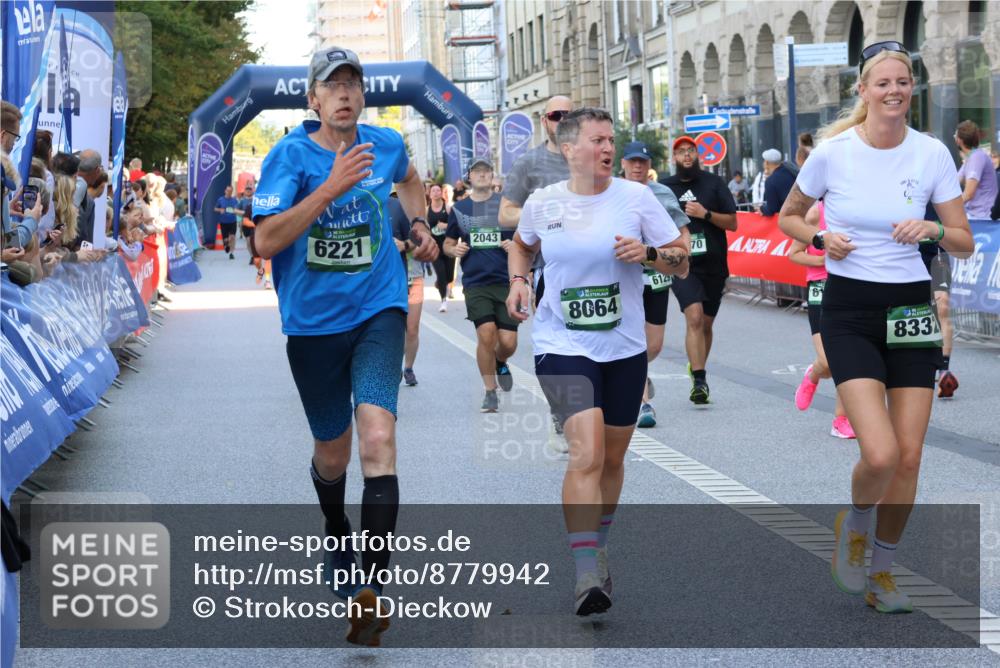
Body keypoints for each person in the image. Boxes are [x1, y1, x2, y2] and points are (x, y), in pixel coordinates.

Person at [251, 46, 438, 646]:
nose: (345, 94)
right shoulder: (289, 157)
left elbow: (411, 183)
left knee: (378, 437)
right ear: (313, 99)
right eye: (333, 85)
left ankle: (372, 592)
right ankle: (336, 528)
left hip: (377, 307)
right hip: (312, 326)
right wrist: (329, 188)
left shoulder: (384, 144)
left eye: (353, 84)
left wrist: (419, 226)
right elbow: (265, 241)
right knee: (333, 454)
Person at [778, 41, 972, 614]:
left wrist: (931, 231)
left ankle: (883, 574)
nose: (894, 90)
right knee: (881, 454)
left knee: (910, 457)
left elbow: (961, 238)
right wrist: (819, 239)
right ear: (862, 91)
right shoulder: (834, 154)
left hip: (911, 311)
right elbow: (788, 216)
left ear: (913, 88)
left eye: (903, 81)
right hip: (850, 311)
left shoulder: (932, 153)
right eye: (882, 82)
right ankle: (856, 523)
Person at [506, 108, 689, 617]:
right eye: (597, 141)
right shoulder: (544, 203)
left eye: (611, 140)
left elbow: (682, 257)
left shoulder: (636, 198)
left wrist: (650, 255)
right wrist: (519, 281)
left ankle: (598, 544)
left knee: (612, 458)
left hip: (625, 347)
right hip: (561, 343)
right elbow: (520, 249)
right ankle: (586, 568)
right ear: (569, 149)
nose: (608, 149)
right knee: (585, 453)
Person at [499, 94, 574, 445]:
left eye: (571, 115)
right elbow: (506, 213)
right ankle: (561, 408)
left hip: (595, 269)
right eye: (557, 115)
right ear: (544, 121)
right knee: (557, 344)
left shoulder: (590, 158)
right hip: (548, 267)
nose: (564, 120)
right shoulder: (530, 163)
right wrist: (543, 211)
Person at [661, 136, 738, 405]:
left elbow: (733, 223)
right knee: (693, 317)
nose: (686, 155)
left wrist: (705, 214)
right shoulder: (664, 188)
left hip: (714, 263)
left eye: (690, 151)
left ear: (697, 155)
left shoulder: (713, 184)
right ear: (674, 157)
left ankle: (696, 365)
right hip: (682, 264)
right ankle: (700, 379)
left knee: (706, 323)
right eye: (680, 151)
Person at [620, 141, 691, 428]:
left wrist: (681, 258)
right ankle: (643, 404)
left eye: (643, 162)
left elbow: (682, 231)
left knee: (654, 345)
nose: (638, 166)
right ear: (623, 164)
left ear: (650, 166)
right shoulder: (612, 192)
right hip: (626, 279)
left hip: (657, 277)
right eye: (633, 161)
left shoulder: (661, 193)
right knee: (633, 342)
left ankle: (638, 372)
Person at [443, 158, 518, 412]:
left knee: (508, 342)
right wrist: (455, 249)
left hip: (505, 280)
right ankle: (489, 391)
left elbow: (525, 239)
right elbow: (448, 243)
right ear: (469, 178)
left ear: (492, 176)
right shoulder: (460, 209)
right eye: (477, 172)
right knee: (486, 333)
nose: (483, 175)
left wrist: (515, 246)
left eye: (486, 171)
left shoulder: (505, 205)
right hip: (475, 282)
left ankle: (499, 360)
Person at [789, 201, 856, 439]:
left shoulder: (858, 208)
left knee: (846, 359)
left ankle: (841, 420)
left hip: (852, 288)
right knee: (828, 361)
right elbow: (794, 254)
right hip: (820, 287)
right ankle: (814, 374)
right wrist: (825, 260)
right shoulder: (816, 212)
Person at [387, 194, 425, 385]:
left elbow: (419, 240)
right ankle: (392, 367)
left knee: (412, 328)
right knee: (392, 329)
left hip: (414, 275)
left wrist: (405, 245)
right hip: (391, 279)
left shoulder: (410, 215)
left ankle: (408, 368)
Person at [955, 120, 997, 221]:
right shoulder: (971, 157)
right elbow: (954, 181)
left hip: (980, 217)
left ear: (959, 140)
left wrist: (950, 205)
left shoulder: (977, 157)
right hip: (972, 214)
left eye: (955, 135)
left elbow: (969, 193)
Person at [426, 183, 454, 311]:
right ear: (430, 193)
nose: (436, 192)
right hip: (435, 248)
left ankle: (440, 283)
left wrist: (446, 226)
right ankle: (443, 301)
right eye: (433, 190)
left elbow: (456, 227)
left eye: (438, 190)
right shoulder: (426, 210)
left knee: (449, 277)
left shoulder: (448, 208)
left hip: (448, 247)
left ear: (441, 193)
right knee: (441, 274)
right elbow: (423, 228)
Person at [758, 148, 795, 216]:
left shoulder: (770, 181)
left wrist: (762, 209)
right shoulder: (790, 171)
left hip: (786, 220)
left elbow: (772, 209)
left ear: (767, 163)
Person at [213, 185, 240, 258]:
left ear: (232, 192)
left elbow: (237, 209)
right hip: (223, 222)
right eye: (228, 191)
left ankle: (232, 253)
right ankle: (226, 244)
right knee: (226, 239)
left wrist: (237, 211)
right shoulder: (220, 200)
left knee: (232, 237)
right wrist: (220, 210)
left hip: (232, 221)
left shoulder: (234, 200)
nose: (229, 192)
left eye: (230, 191)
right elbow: (215, 208)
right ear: (225, 191)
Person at [239, 184, 256, 265]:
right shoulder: (242, 201)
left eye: (250, 190)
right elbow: (235, 210)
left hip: (255, 223)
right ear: (245, 192)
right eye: (247, 190)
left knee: (255, 241)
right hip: (245, 223)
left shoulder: (256, 200)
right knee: (249, 241)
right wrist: (244, 213)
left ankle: (256, 255)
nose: (248, 191)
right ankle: (252, 256)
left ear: (252, 191)